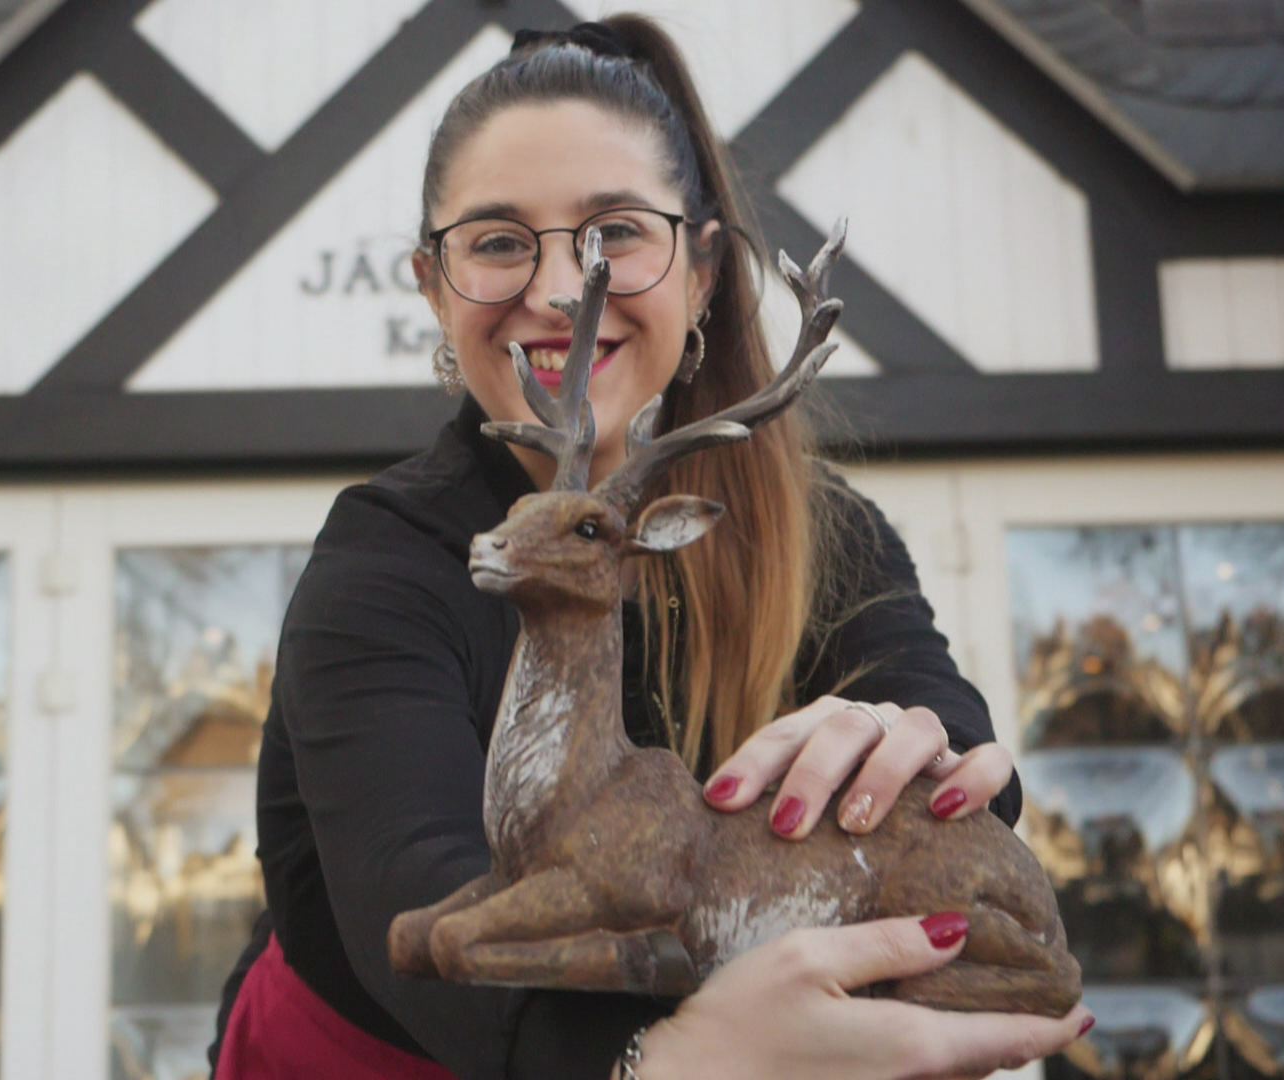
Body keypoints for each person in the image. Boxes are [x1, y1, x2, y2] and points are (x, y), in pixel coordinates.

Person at [209, 15, 1092, 1079]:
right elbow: (417, 899)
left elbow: (942, 733)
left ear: (704, 267)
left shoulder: (824, 531)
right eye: (496, 242)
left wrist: (914, 749)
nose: (556, 291)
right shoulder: (385, 560)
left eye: (614, 233)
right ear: (434, 288)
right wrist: (662, 1061)